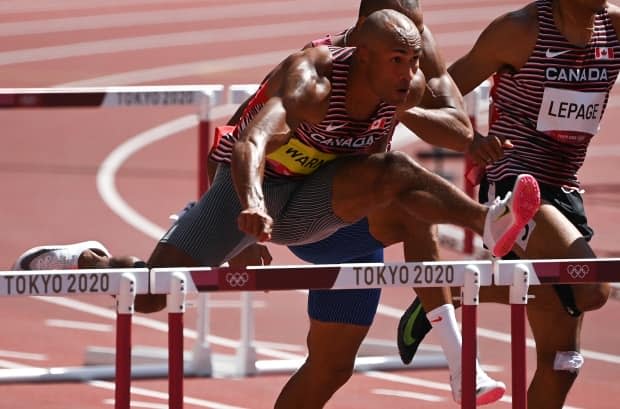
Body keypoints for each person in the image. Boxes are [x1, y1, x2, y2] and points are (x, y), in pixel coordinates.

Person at [13, 9, 541, 409]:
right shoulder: (312, 80)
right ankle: (88, 262)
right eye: (398, 59)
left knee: (392, 195)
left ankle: (482, 239)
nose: (411, 69)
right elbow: (250, 144)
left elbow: (457, 130)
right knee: (152, 294)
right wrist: (251, 212)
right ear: (359, 47)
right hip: (259, 188)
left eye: (415, 55)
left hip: (331, 202)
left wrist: (406, 103)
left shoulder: (409, 76)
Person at [396, 1, 615, 408]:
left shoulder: (613, 27)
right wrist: (470, 141)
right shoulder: (520, 30)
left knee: (563, 362)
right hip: (515, 182)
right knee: (590, 288)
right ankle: (449, 291)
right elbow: (441, 91)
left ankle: (445, 290)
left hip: (566, 188)